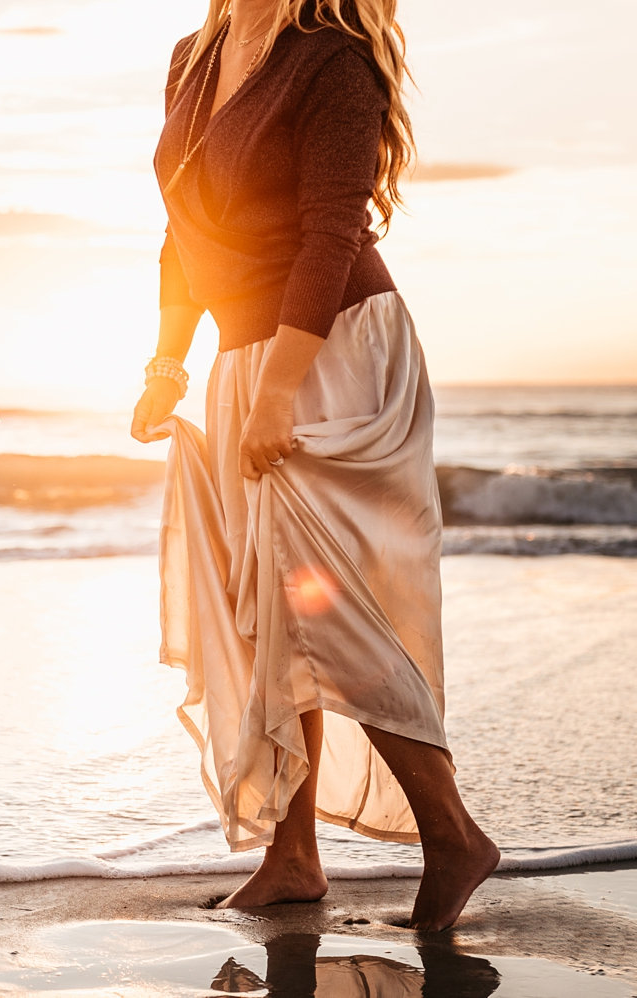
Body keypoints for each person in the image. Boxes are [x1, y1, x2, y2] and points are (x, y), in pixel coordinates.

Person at [131, 0, 499, 930]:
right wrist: (167, 364)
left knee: (329, 608)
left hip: (332, 349)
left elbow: (333, 231)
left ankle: (452, 833)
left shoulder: (332, 61)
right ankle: (293, 858)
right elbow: (183, 232)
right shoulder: (194, 56)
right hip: (244, 355)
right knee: (268, 613)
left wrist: (278, 389)